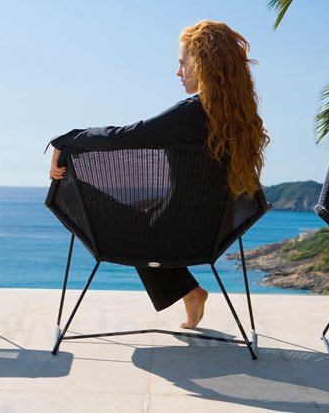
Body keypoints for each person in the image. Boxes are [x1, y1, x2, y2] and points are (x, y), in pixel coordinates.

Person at [48, 20, 269, 329]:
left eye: (182, 63)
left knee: (79, 192)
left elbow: (124, 137)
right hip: (213, 233)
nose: (178, 72)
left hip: (171, 236)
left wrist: (66, 140)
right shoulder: (241, 120)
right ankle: (189, 291)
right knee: (144, 218)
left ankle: (189, 291)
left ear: (202, 63)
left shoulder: (191, 112)